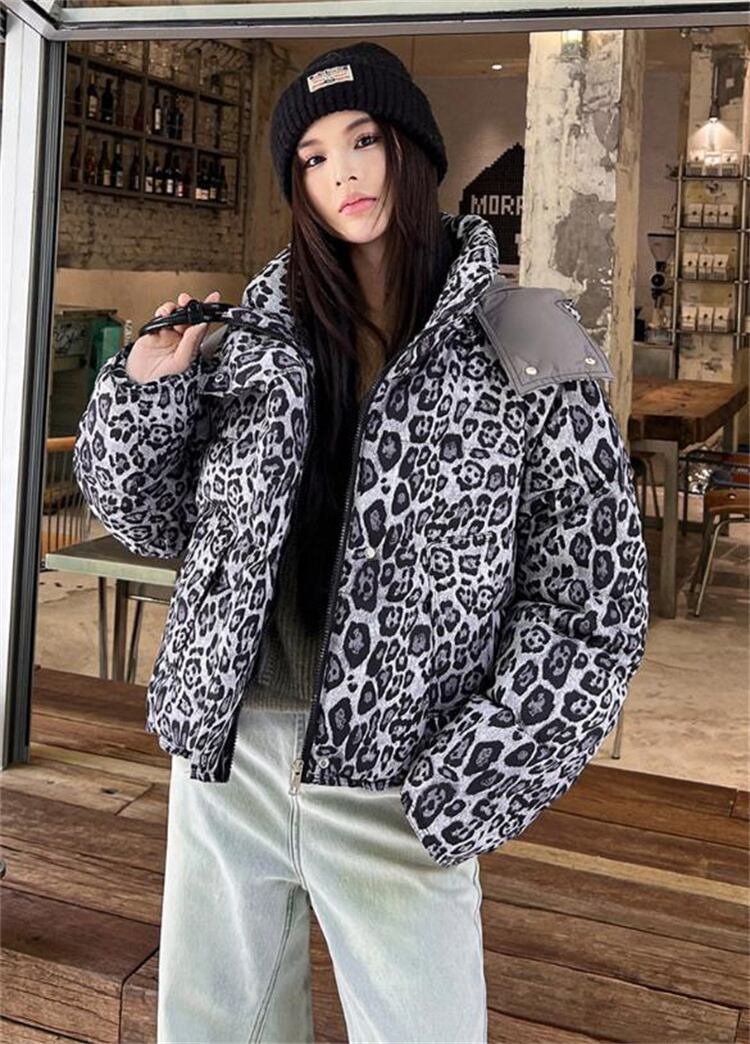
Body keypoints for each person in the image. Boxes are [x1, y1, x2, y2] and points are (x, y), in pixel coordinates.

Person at [73, 41, 650, 1044]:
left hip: (399, 781)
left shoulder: (526, 339)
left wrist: (470, 778)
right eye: (312, 157)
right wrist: (146, 393)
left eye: (364, 140)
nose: (341, 173)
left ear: (411, 148)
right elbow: (151, 520)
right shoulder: (256, 335)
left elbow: (593, 604)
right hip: (231, 765)